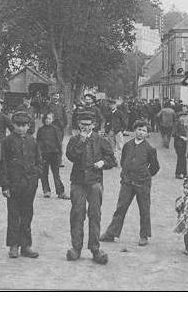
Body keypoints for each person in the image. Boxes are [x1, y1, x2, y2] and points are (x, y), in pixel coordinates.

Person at [65, 111, 116, 264]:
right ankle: (76, 248)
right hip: (78, 182)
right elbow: (71, 156)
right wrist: (81, 140)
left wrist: (103, 163)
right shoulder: (74, 140)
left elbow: (111, 159)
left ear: (94, 125)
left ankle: (95, 248)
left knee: (95, 215)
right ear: (78, 124)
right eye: (82, 124)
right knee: (77, 215)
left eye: (88, 125)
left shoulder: (101, 140)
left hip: (95, 183)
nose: (85, 127)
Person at [101, 119, 160, 246]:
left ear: (147, 133)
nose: (141, 132)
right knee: (121, 207)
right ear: (134, 131)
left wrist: (145, 175)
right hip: (127, 182)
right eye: (139, 129)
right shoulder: (127, 146)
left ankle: (144, 236)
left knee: (144, 209)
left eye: (144, 131)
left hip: (142, 183)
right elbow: (123, 161)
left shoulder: (150, 149)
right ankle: (111, 233)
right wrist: (126, 174)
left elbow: (155, 167)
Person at [0, 111, 42, 259]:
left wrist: (35, 176)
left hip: (29, 185)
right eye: (18, 125)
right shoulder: (7, 141)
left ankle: (26, 245)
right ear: (13, 125)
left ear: (29, 126)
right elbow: (3, 164)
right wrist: (4, 186)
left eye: (24, 125)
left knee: (27, 214)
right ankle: (13, 245)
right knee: (13, 215)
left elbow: (39, 161)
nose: (21, 128)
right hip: (13, 184)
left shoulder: (33, 141)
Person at [36, 111, 68, 199]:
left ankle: (60, 192)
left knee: (56, 174)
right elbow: (38, 143)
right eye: (46, 118)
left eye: (49, 119)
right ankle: (46, 190)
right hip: (44, 154)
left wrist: (60, 155)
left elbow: (59, 143)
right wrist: (39, 154)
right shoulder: (41, 130)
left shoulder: (56, 129)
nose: (47, 120)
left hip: (54, 154)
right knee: (44, 173)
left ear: (52, 120)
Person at [42, 91, 69, 165]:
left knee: (59, 143)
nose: (56, 98)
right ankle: (49, 160)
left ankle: (59, 160)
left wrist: (64, 124)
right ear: (52, 97)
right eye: (54, 96)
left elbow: (65, 116)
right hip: (51, 127)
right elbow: (45, 116)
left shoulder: (61, 106)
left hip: (60, 128)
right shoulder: (48, 106)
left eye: (57, 96)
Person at [173, 107, 188, 179]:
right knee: (180, 158)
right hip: (178, 143)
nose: (184, 118)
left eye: (185, 117)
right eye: (182, 117)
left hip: (183, 143)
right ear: (179, 117)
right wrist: (181, 137)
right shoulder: (177, 124)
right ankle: (178, 173)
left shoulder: (183, 124)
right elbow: (174, 134)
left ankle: (184, 173)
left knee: (183, 158)